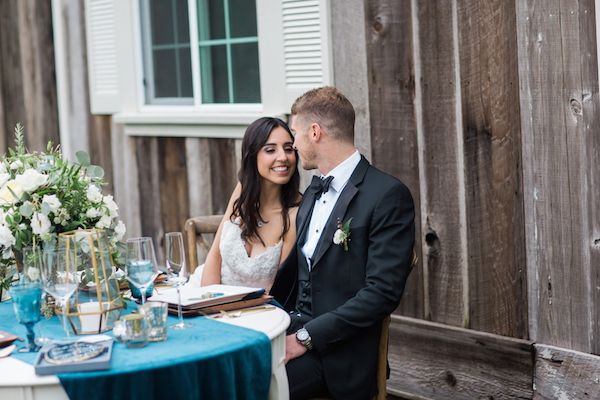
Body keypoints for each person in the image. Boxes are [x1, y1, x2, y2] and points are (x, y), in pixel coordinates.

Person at [270, 87, 415, 399]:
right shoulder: (312, 192)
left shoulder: (387, 196)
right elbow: (296, 277)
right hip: (292, 330)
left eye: (295, 135)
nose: (293, 145)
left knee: (252, 386)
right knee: (226, 367)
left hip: (340, 353)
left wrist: (307, 337)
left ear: (315, 132)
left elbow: (381, 294)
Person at [200, 117, 301, 291]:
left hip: (257, 311)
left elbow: (277, 290)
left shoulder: (296, 213)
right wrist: (208, 305)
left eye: (288, 149)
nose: (283, 157)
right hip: (211, 296)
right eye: (270, 150)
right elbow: (215, 256)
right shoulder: (243, 191)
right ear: (252, 155)